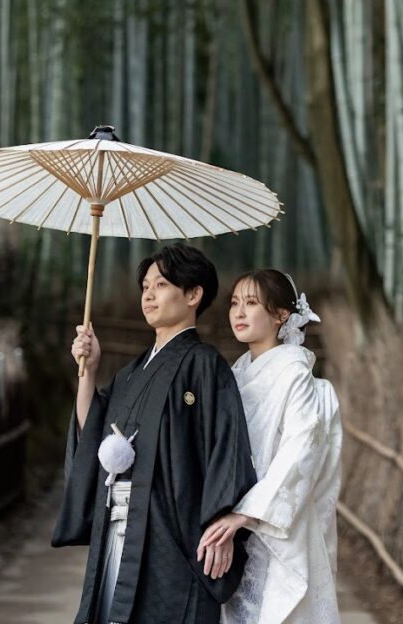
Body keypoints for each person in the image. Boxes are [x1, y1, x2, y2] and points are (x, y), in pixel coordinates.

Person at [52, 244, 259, 624]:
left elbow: (226, 448)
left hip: (171, 534)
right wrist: (89, 372)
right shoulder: (130, 373)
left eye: (161, 285)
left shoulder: (205, 365)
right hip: (118, 526)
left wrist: (223, 522)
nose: (148, 295)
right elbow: (93, 436)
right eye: (145, 286)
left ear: (193, 294)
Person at [198, 269, 342, 624]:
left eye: (251, 303)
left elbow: (302, 446)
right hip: (238, 525)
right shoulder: (236, 373)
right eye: (234, 303)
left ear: (281, 315)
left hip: (274, 523)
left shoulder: (294, 373)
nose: (238, 312)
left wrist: (246, 513)